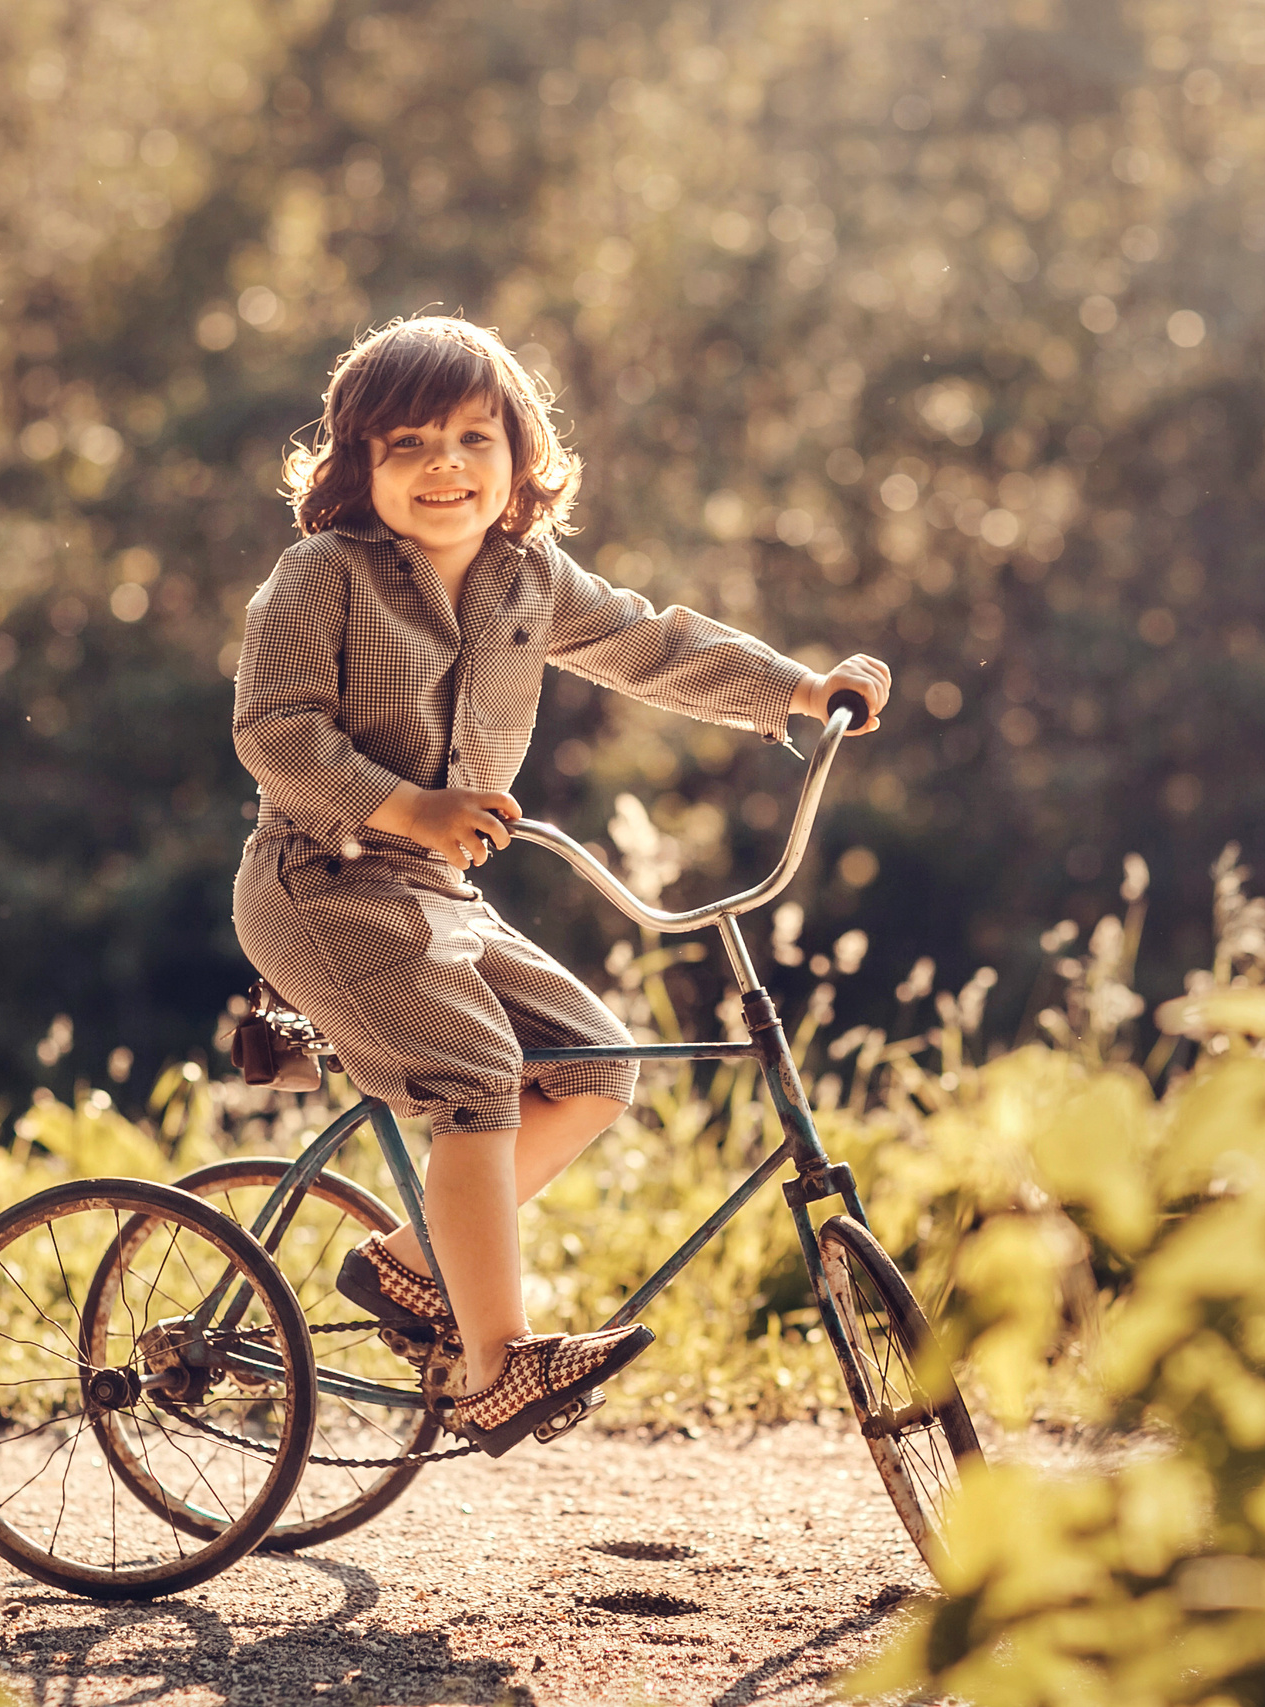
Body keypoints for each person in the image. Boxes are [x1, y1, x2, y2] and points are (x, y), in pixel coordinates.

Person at [229, 315, 890, 1457]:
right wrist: (407, 806)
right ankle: (495, 1366)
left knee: (596, 1063)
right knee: (479, 1077)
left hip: (434, 889)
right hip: (323, 881)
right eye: (408, 445)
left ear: (520, 460)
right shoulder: (319, 578)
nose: (445, 468)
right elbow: (274, 733)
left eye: (474, 440)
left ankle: (410, 1266)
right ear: (357, 468)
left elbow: (655, 644)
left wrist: (797, 687)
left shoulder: (524, 579)